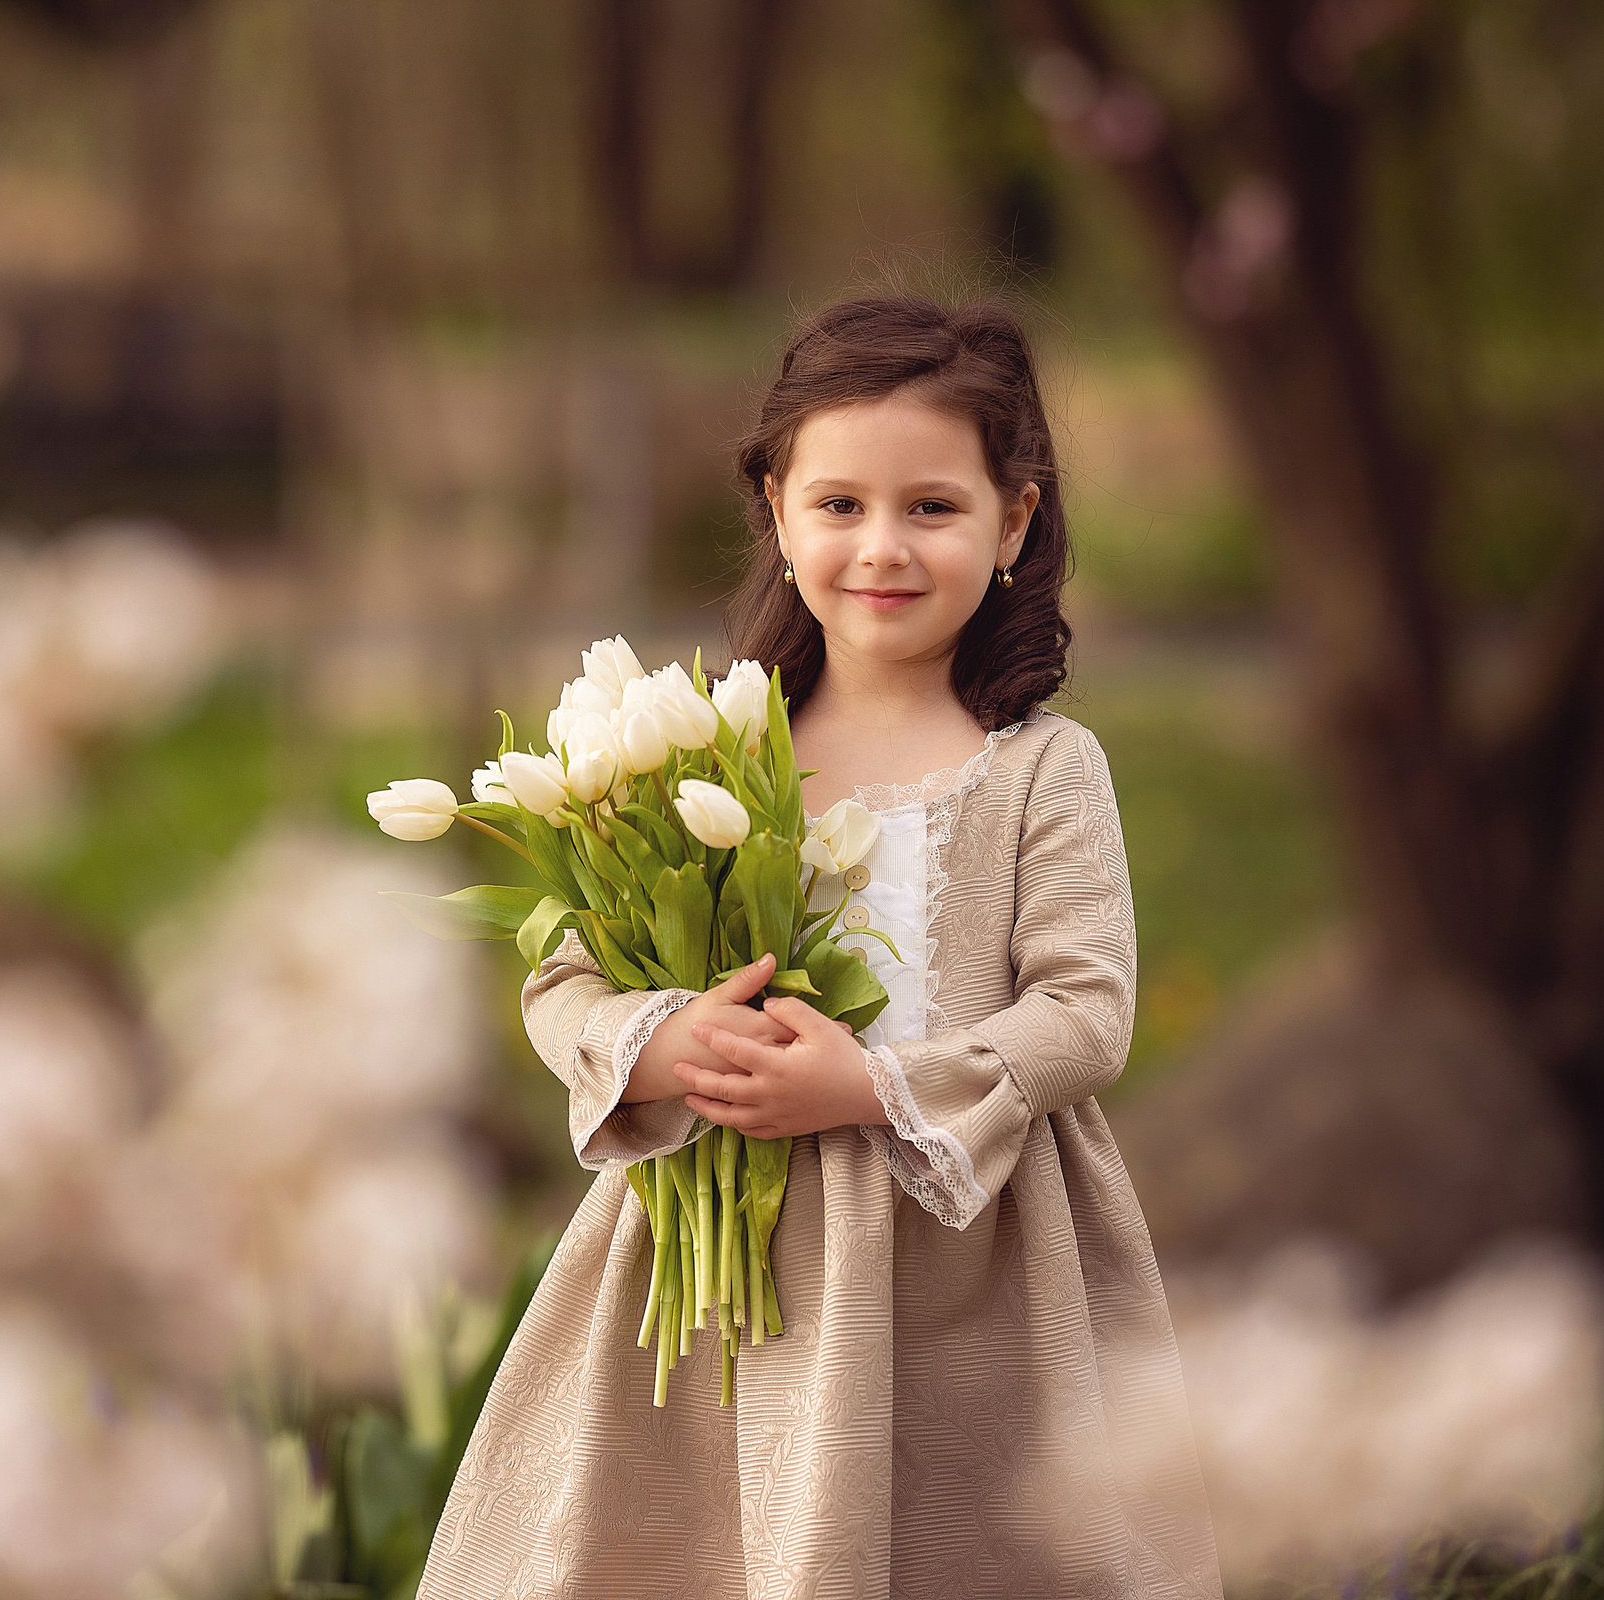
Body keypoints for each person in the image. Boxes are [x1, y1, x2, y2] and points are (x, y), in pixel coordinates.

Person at [418, 295, 1223, 1599]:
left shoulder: (1041, 772)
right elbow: (562, 977)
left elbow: (1087, 1016)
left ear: (1014, 519)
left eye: (933, 508)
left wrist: (872, 1087)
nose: (882, 548)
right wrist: (659, 1039)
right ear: (778, 514)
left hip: (975, 1262)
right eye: (840, 505)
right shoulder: (703, 756)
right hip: (725, 1272)